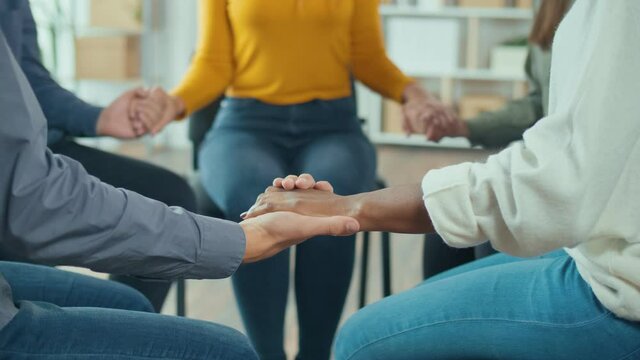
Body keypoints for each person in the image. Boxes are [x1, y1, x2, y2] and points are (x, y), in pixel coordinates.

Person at [244, 0, 640, 358]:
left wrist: (348, 206)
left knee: (359, 341)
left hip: (621, 289)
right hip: (605, 243)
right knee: (255, 187)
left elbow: (556, 183)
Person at [0, 27, 362, 358]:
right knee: (231, 350)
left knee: (131, 305)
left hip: (332, 122)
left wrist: (98, 118)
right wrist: (241, 240)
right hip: (244, 123)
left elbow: (27, 83)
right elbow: (31, 199)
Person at [132, 1, 454, 358]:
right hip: (245, 124)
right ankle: (265, 354)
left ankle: (315, 354)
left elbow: (367, 57)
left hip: (332, 125)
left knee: (333, 198)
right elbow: (213, 62)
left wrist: (416, 95)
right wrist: (174, 103)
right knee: (254, 196)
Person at [0, 0, 192, 311]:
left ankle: (120, 328)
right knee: (29, 249)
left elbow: (32, 82)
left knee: (170, 194)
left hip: (37, 147)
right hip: (9, 164)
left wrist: (99, 118)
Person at [421, 0, 574, 279]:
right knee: (443, 227)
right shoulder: (546, 5)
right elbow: (539, 104)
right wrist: (465, 126)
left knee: (490, 237)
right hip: (551, 164)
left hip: (579, 179)